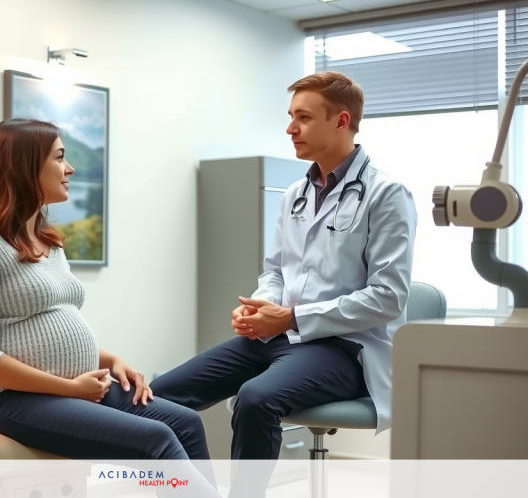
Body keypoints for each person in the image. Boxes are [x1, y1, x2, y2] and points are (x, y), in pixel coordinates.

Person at [150, 71, 417, 496]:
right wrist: (260, 306)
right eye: (291, 116)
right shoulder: (295, 192)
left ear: (341, 121)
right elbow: (275, 271)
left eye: (304, 118)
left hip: (346, 348)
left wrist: (291, 316)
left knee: (256, 398)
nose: (290, 128)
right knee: (159, 395)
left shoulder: (386, 194)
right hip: (281, 336)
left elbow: (388, 297)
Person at [0, 118, 218, 497]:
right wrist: (69, 389)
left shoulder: (47, 240)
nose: (70, 168)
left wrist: (110, 361)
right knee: (156, 439)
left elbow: (54, 323)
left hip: (69, 389)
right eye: (59, 158)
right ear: (25, 166)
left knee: (186, 422)